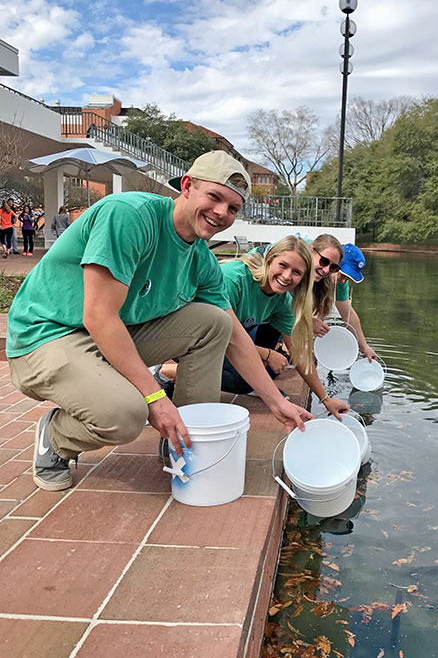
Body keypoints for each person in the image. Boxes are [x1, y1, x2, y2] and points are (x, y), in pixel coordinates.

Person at [7, 150, 311, 492]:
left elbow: (236, 337)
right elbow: (99, 316)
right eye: (214, 197)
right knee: (127, 414)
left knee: (214, 322)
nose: (221, 213)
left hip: (109, 334)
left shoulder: (201, 258)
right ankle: (56, 435)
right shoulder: (129, 216)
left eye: (233, 208)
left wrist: (277, 403)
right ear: (187, 186)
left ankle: (181, 437)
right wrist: (155, 399)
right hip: (47, 334)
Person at [219, 237, 348, 417]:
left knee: (263, 374)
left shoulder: (282, 300)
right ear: (269, 257)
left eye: (296, 272)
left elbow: (299, 353)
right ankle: (174, 373)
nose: (287, 276)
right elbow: (225, 339)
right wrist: (267, 354)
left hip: (222, 341)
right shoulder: (234, 279)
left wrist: (326, 399)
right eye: (283, 265)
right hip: (191, 340)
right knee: (246, 379)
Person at [311, 237, 377, 362]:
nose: (344, 280)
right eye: (343, 275)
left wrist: (364, 346)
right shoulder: (312, 268)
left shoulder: (339, 281)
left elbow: (348, 314)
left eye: (348, 278)